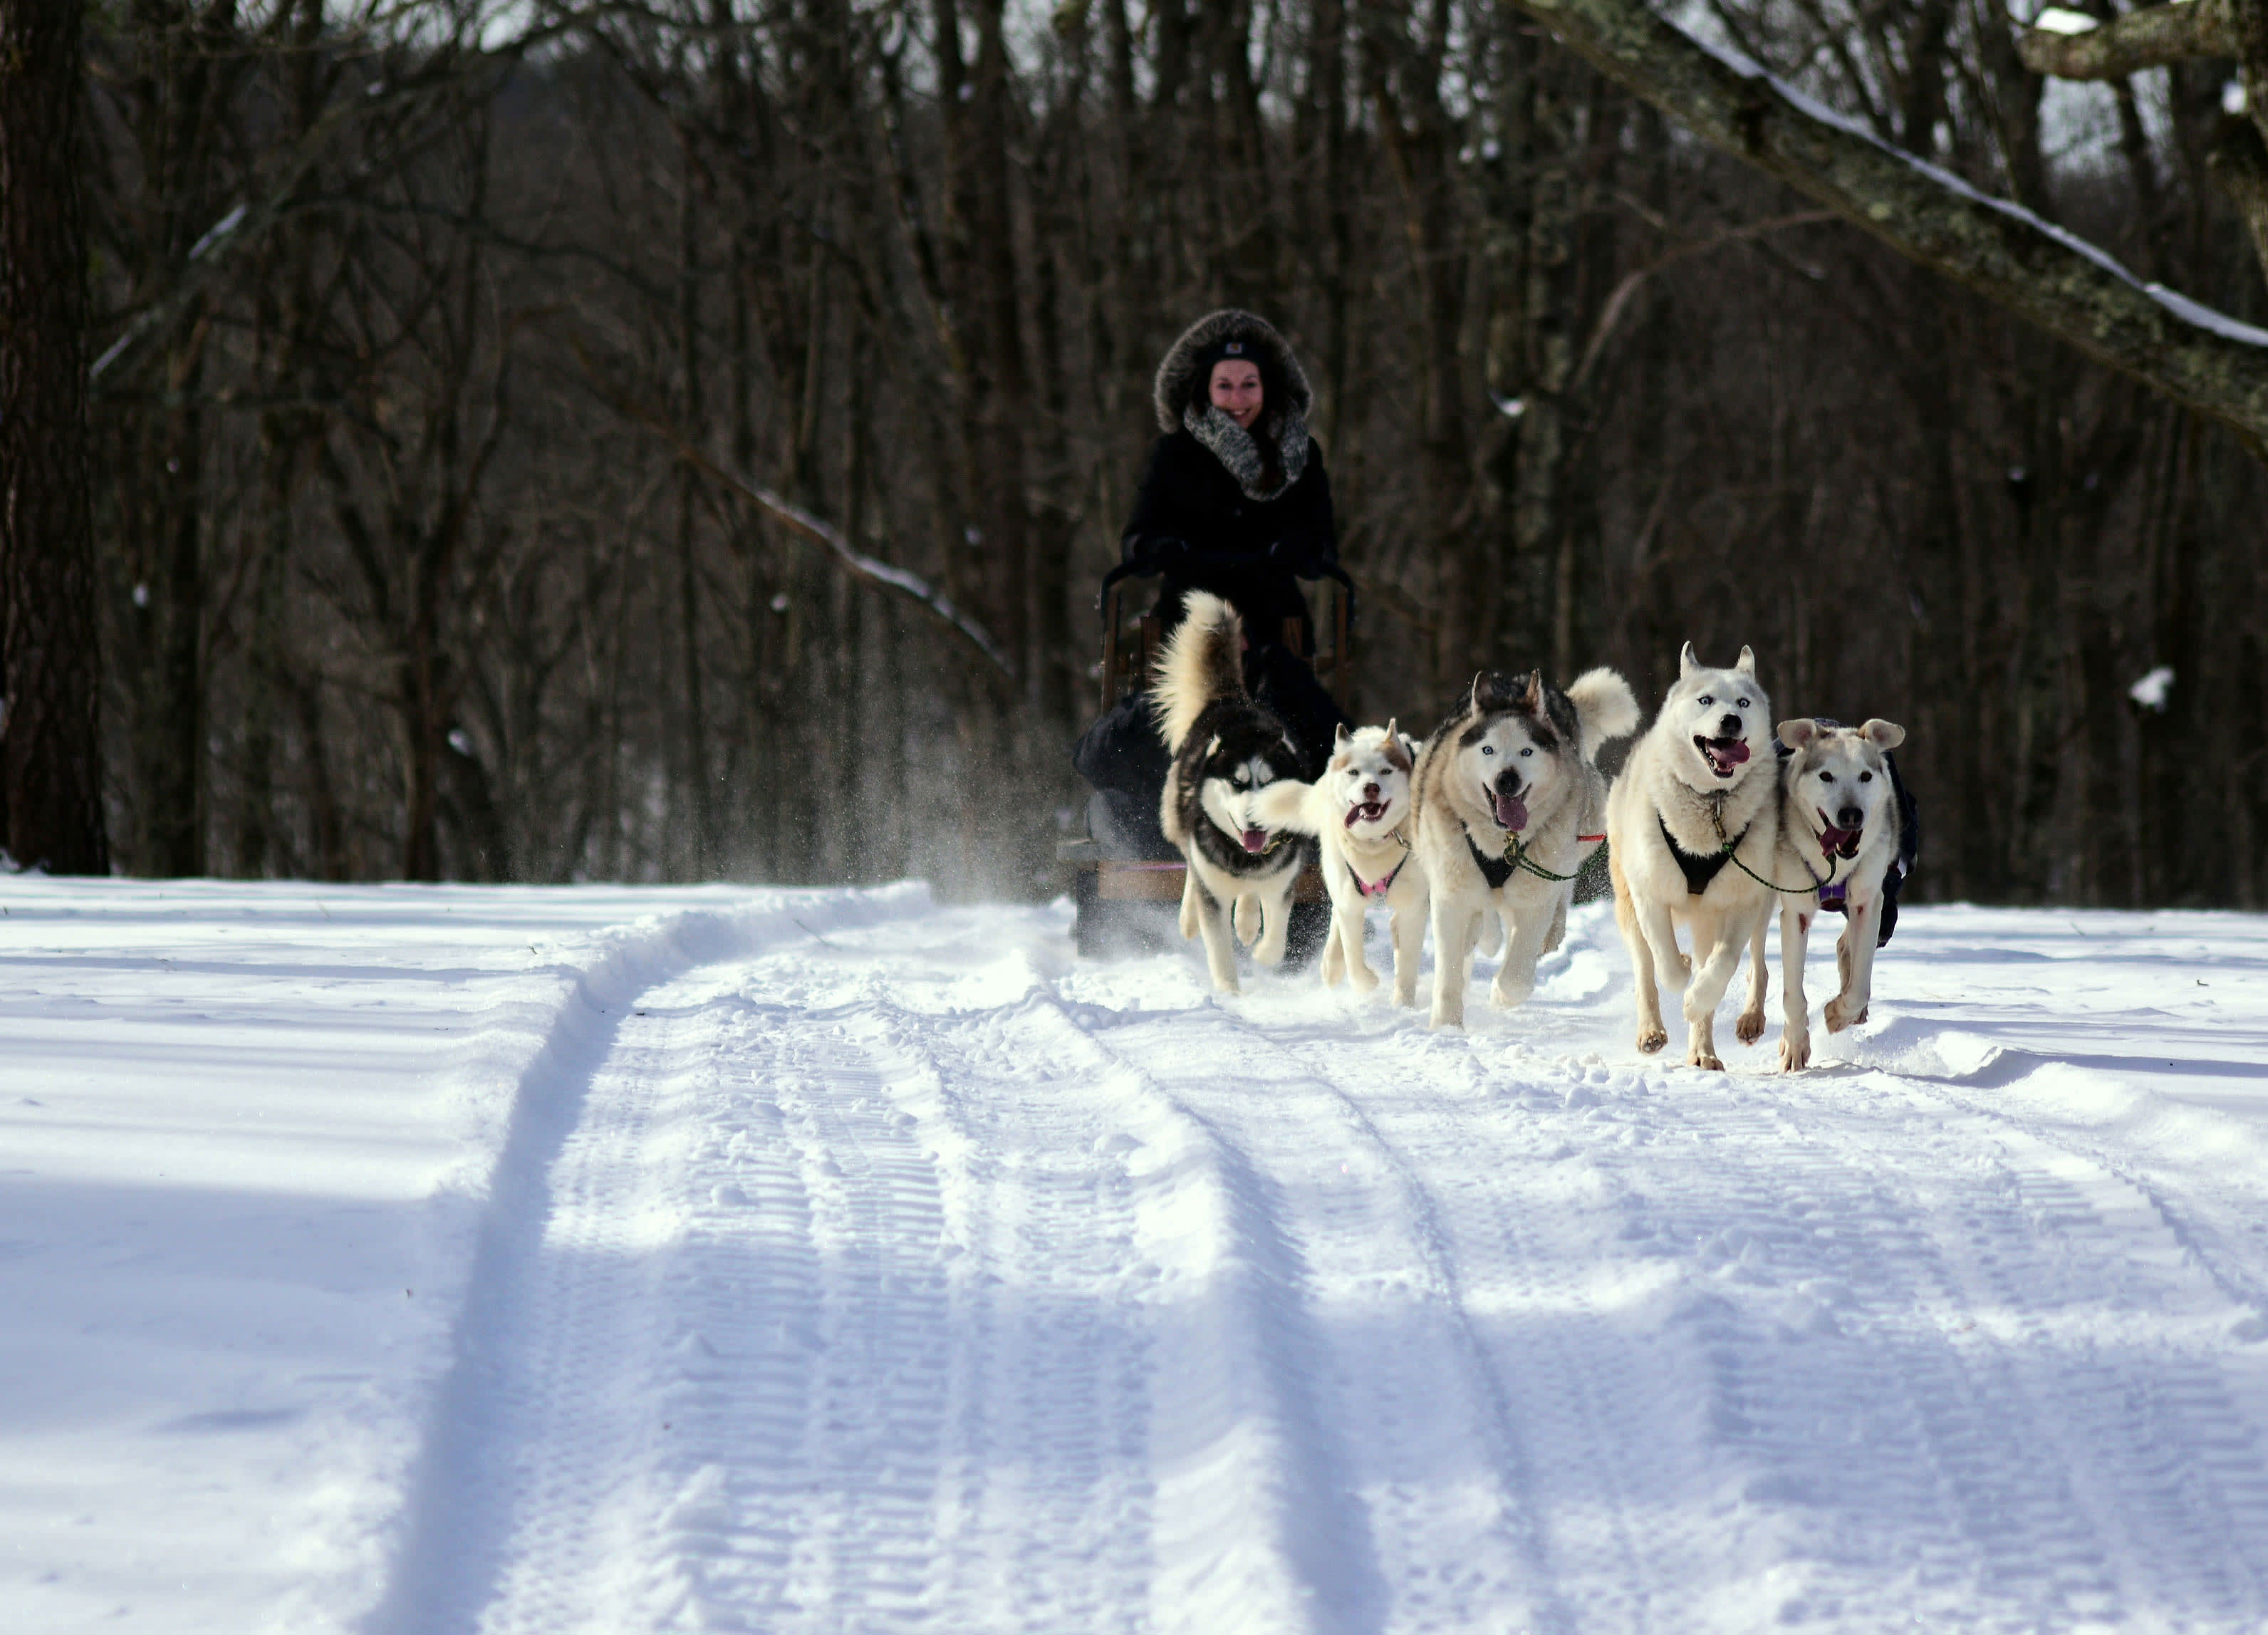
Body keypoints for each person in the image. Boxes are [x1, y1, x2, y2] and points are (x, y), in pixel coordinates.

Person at [1073, 309, 1351, 858]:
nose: (1238, 396)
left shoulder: (1301, 455)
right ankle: (1152, 832)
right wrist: (1155, 549)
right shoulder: (1174, 454)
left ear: (1268, 388)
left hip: (1275, 621)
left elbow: (1322, 541)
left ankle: (1316, 830)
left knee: (1309, 719)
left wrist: (1305, 551)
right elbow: (1138, 536)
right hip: (1188, 623)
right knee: (1137, 735)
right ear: (1204, 389)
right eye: (1224, 385)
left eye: (1249, 383)